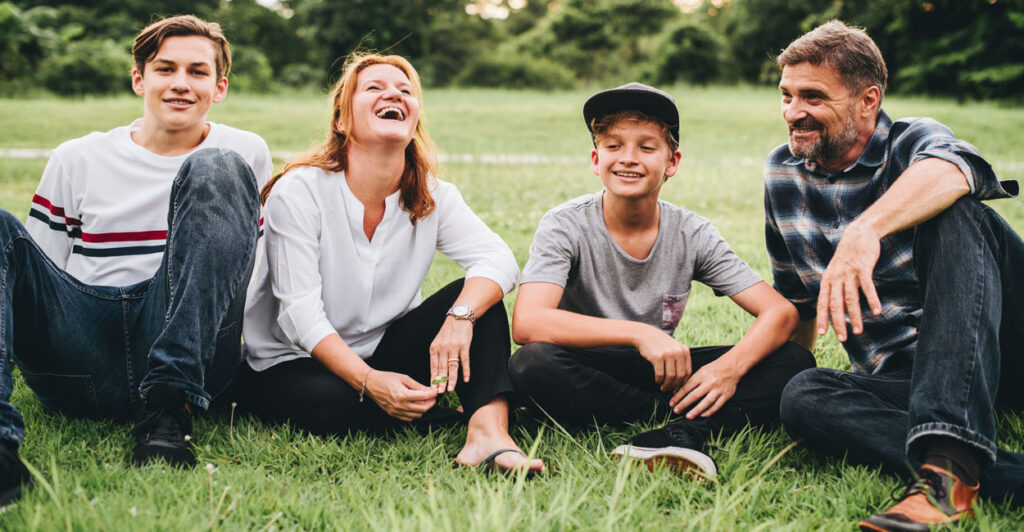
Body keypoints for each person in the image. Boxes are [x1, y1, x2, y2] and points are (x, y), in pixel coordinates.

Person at [0, 14, 271, 503]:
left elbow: (250, 275)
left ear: (220, 86)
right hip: (81, 354)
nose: (181, 84)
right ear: (139, 80)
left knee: (218, 166)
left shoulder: (244, 152)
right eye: (165, 69)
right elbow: (40, 280)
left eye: (197, 71)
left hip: (188, 353)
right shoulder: (77, 157)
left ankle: (169, 404)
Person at [764, 20, 1023, 531]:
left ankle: (948, 470)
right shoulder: (782, 173)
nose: (794, 113)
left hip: (1007, 345)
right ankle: (989, 471)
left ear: (867, 101)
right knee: (802, 394)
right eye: (787, 95)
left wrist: (867, 230)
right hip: (910, 376)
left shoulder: (913, 141)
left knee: (958, 208)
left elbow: (958, 169)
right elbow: (796, 302)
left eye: (813, 97)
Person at [237, 53, 544, 475]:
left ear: (414, 117)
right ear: (342, 120)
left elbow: (499, 259)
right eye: (375, 88)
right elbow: (299, 315)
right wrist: (369, 382)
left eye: (405, 90)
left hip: (385, 350)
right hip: (294, 361)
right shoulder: (300, 191)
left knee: (477, 304)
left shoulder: (433, 194)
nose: (393, 95)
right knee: (330, 407)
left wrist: (459, 318)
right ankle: (434, 409)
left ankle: (488, 433)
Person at [508, 82, 814, 479]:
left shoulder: (692, 232)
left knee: (795, 363)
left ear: (672, 162)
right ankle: (680, 421)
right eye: (614, 146)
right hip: (588, 362)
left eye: (647, 147)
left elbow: (780, 314)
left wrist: (728, 371)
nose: (628, 159)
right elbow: (529, 323)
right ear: (595, 159)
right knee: (532, 364)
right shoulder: (565, 224)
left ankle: (670, 422)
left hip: (664, 371)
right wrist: (639, 333)